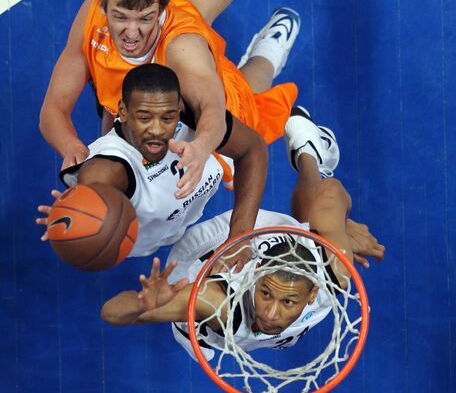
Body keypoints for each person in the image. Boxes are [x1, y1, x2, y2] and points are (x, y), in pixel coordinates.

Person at [39, 0, 301, 199]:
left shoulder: (183, 46)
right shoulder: (92, 15)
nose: (131, 32)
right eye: (121, 17)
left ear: (162, 10)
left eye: (145, 18)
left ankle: (269, 46)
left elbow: (212, 110)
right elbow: (53, 109)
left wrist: (202, 147)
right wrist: (72, 147)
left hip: (208, 99)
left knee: (250, 96)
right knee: (197, 4)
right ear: (103, 5)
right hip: (133, 103)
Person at [100, 106, 385, 360]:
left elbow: (332, 191)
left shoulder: (335, 270)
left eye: (288, 302)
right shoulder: (217, 303)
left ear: (312, 295)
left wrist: (343, 226)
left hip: (289, 242)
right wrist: (144, 305)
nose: (270, 314)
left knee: (318, 217)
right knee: (316, 226)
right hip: (210, 250)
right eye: (266, 293)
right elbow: (110, 313)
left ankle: (307, 148)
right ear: (256, 275)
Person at [37, 63, 267, 268]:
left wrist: (240, 237)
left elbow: (252, 149)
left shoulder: (195, 115)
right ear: (124, 112)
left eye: (167, 118)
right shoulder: (109, 167)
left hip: (212, 158)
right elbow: (98, 182)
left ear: (178, 109)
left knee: (251, 92)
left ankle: (268, 50)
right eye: (144, 118)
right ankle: (105, 92)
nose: (157, 131)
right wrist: (80, 213)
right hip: (153, 231)